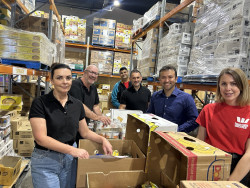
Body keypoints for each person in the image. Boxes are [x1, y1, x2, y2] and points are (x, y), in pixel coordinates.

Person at [29, 63, 112, 188]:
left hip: (69, 161)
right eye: (59, 78)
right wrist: (73, 150)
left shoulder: (77, 104)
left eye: (68, 78)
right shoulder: (40, 103)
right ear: (51, 80)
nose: (65, 82)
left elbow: (85, 132)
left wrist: (103, 139)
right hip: (46, 161)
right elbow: (41, 138)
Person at [196, 67, 250, 186]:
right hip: (210, 165)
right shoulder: (208, 110)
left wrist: (229, 183)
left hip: (239, 169)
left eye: (233, 84)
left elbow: (249, 155)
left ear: (241, 86)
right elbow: (199, 144)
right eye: (224, 84)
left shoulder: (249, 112)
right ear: (219, 86)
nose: (228, 88)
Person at [147, 65, 198, 133]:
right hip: (156, 135)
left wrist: (176, 130)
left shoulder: (186, 98)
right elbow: (149, 114)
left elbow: (194, 120)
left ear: (176, 79)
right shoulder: (155, 96)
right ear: (159, 79)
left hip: (176, 139)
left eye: (170, 77)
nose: (167, 80)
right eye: (163, 77)